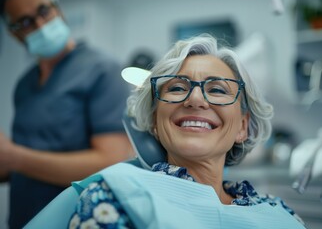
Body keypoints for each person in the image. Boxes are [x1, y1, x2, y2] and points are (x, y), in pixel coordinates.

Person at [60, 34, 306, 228]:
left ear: (242, 127)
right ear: (155, 121)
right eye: (177, 87)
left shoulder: (279, 211)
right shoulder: (112, 199)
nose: (196, 99)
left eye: (218, 90)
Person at [0, 0, 134, 228]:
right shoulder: (24, 85)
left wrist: (14, 158)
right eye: (26, 22)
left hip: (74, 220)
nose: (41, 24)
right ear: (14, 33)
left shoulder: (103, 70)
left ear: (57, 7)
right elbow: (26, 158)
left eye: (44, 10)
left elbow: (111, 161)